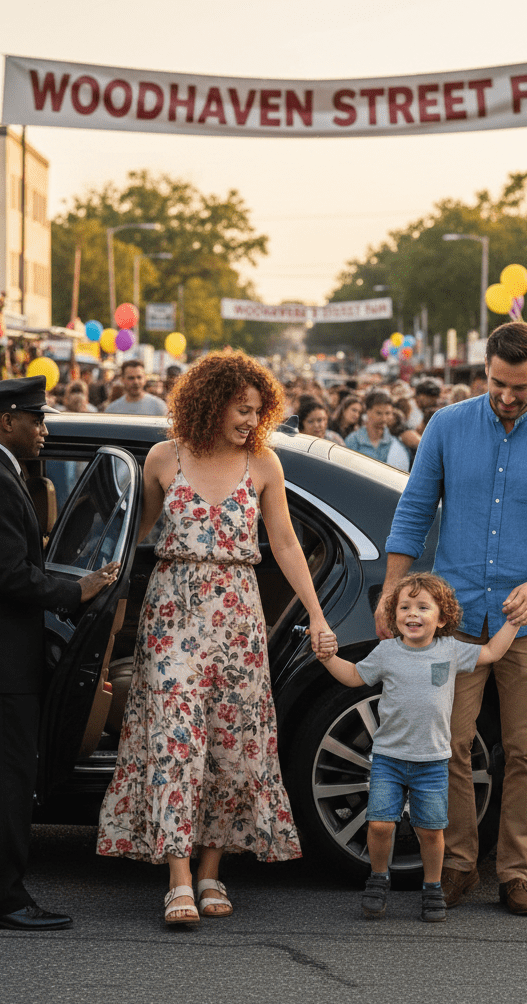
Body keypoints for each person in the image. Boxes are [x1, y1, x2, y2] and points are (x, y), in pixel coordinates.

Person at [95, 351, 334, 927]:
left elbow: (285, 543)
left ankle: (209, 869)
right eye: (241, 409)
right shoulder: (162, 458)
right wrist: (96, 580)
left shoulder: (264, 464)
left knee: (230, 745)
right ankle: (177, 878)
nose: (251, 421)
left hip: (238, 618)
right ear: (211, 402)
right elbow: (138, 534)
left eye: (258, 411)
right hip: (172, 613)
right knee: (175, 737)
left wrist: (317, 615)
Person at [374, 322, 527, 916]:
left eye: (519, 387)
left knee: (526, 750)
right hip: (455, 617)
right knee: (446, 744)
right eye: (497, 382)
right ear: (487, 369)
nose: (505, 395)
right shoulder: (447, 426)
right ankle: (457, 865)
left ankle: (516, 874)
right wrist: (394, 589)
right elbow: (415, 509)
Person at [0, 376, 117, 931]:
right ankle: (4, 899)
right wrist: (77, 590)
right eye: (37, 420)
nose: (45, 429)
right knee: (8, 783)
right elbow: (9, 577)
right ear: (7, 420)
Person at [318, 572, 518, 923]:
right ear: (394, 616)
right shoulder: (387, 652)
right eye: (405, 606)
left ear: (441, 618)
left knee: (431, 830)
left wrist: (513, 623)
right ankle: (379, 879)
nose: (412, 613)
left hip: (433, 762)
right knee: (380, 824)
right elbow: (353, 677)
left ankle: (432, 886)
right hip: (388, 760)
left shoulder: (450, 650)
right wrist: (327, 657)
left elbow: (490, 653)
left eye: (423, 607)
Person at [344, 389, 411, 470]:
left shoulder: (396, 445)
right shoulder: (352, 441)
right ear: (368, 412)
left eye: (387, 413)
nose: (384, 419)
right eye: (379, 413)